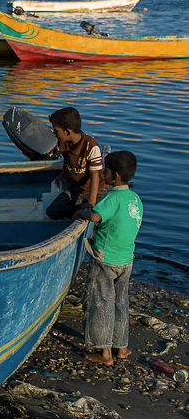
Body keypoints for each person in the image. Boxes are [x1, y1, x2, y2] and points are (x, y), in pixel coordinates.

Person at [73, 151, 143, 366]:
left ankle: (104, 353)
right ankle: (121, 348)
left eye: (106, 170)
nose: (103, 173)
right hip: (126, 258)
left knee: (101, 302)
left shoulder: (113, 198)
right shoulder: (134, 198)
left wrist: (81, 213)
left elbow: (95, 216)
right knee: (120, 302)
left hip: (105, 257)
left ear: (115, 175)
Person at [46, 107, 104, 219]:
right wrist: (62, 176)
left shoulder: (90, 146)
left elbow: (95, 175)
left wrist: (91, 202)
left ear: (67, 132)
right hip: (75, 188)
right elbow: (67, 161)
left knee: (91, 208)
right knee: (52, 212)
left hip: (95, 191)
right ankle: (79, 211)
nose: (54, 133)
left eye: (56, 130)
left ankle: (85, 210)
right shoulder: (63, 142)